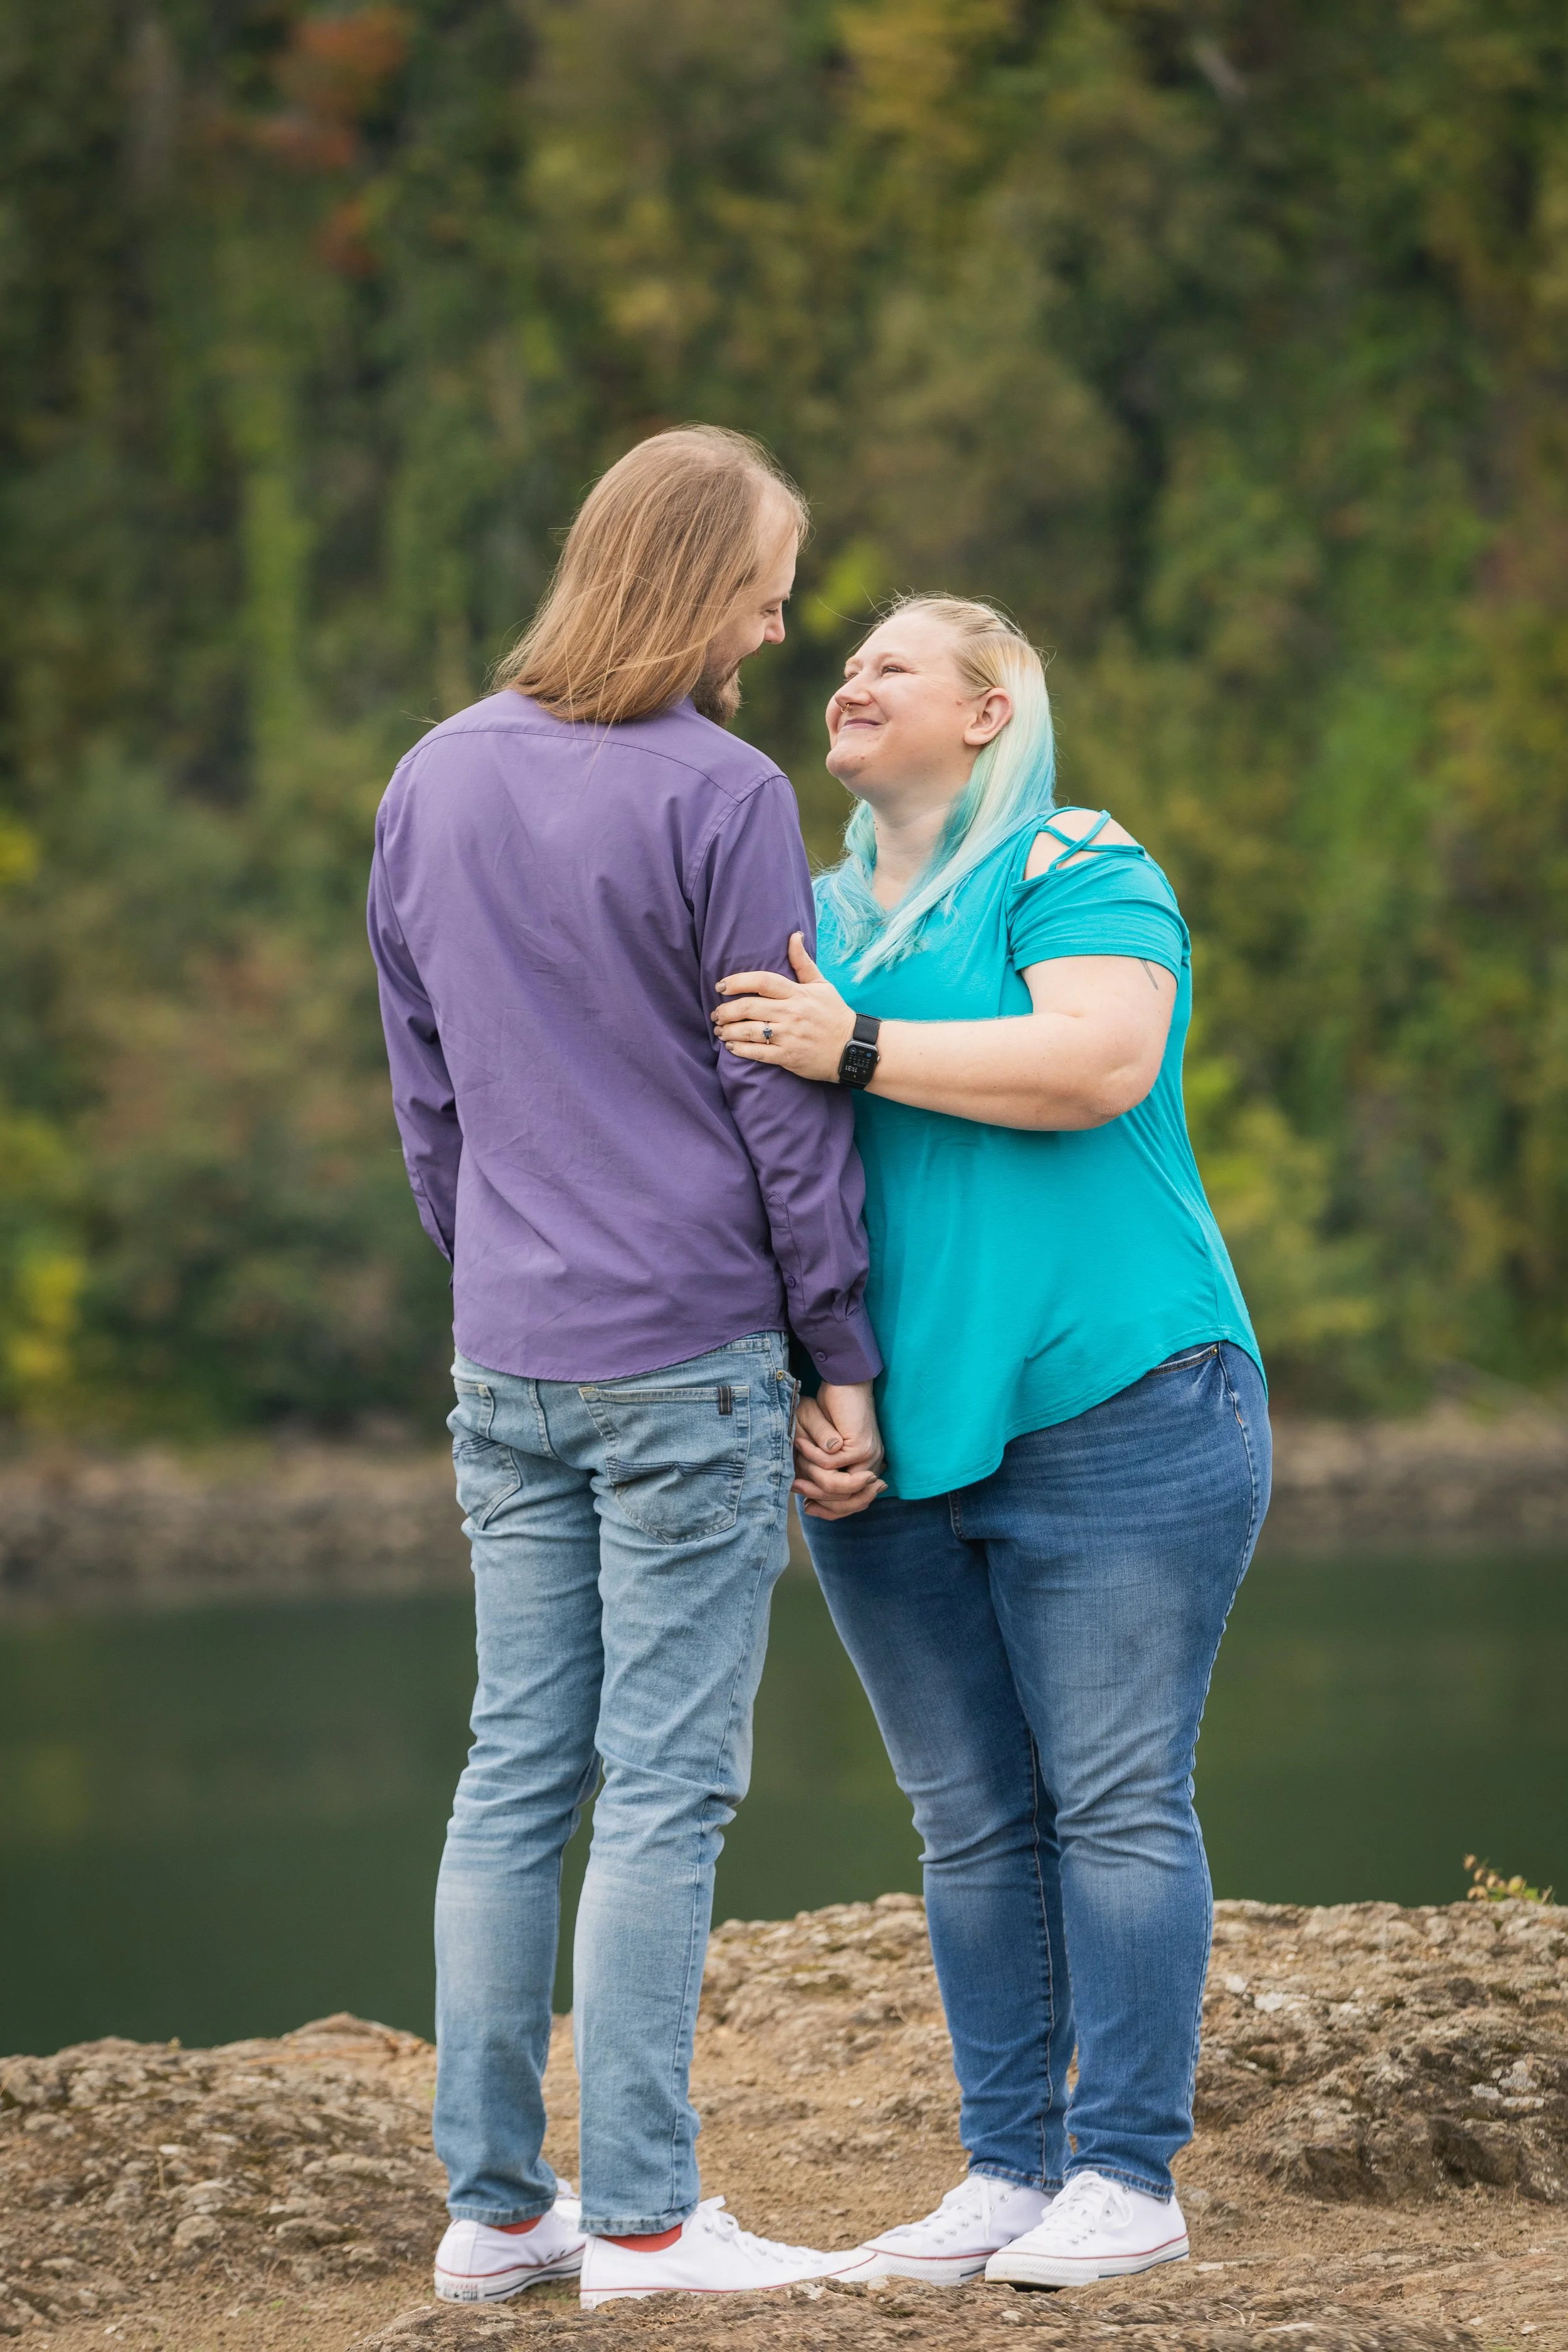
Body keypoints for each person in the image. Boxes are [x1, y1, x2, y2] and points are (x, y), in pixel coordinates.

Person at [367, 426, 884, 2311]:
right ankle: (652, 2225)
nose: (779, 621)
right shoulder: (725, 795)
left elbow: (427, 1095)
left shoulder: (431, 775)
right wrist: (840, 1352)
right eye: (766, 584)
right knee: (663, 1788)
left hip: (508, 1352)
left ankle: (498, 2215)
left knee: (514, 1771)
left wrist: (508, 1275)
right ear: (689, 580)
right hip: (686, 1349)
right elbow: (784, 1105)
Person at [712, 595, 1271, 2291]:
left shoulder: (1069, 860)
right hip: (887, 1433)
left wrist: (859, 1044)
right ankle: (1008, 2170)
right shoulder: (804, 918)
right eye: (842, 664)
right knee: (966, 1819)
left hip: (1120, 1400)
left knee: (1111, 1797)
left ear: (987, 711)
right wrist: (812, 1384)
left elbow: (1099, 1061)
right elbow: (769, 1180)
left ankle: (1128, 2176)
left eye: (891, 662)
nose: (849, 680)